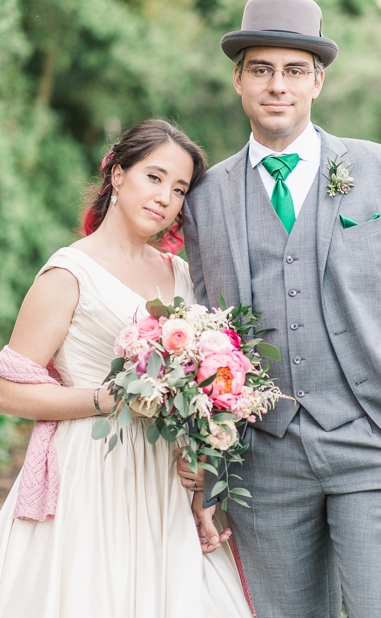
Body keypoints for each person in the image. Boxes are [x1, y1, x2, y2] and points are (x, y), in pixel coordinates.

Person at [181, 0, 381, 618]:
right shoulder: (206, 195)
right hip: (263, 456)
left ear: (317, 80)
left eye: (294, 70)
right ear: (240, 80)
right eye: (262, 69)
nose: (278, 86)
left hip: (378, 440)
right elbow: (203, 325)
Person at [0, 120, 253, 617]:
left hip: (164, 479)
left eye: (179, 189)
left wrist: (202, 457)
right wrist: (112, 397)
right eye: (154, 177)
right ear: (117, 175)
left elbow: (200, 386)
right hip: (93, 472)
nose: (165, 197)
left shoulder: (181, 275)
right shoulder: (69, 271)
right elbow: (8, 389)